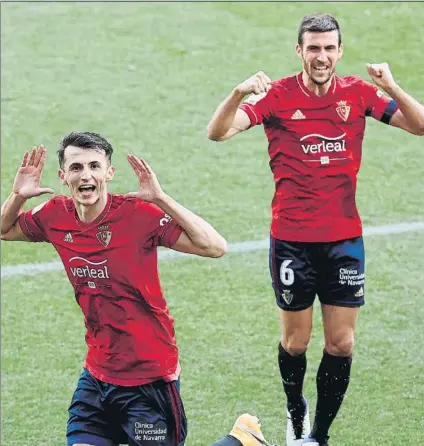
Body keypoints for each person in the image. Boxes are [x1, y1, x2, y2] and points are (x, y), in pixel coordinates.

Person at [207, 12, 424, 446]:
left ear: (339, 51)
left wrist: (391, 85)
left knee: (342, 344)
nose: (321, 56)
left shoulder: (359, 94)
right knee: (295, 343)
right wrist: (237, 93)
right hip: (291, 242)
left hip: (344, 241)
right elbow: (218, 132)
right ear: (300, 51)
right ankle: (295, 409)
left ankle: (318, 437)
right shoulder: (277, 97)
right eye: (313, 48)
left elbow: (420, 125)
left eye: (329, 48)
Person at [1, 132, 228, 446]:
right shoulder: (55, 215)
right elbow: (4, 229)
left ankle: (240, 440)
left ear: (108, 173)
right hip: (96, 377)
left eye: (95, 165)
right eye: (76, 167)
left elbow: (215, 247)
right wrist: (18, 195)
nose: (86, 175)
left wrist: (162, 199)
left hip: (148, 378)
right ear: (63, 176)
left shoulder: (137, 214)